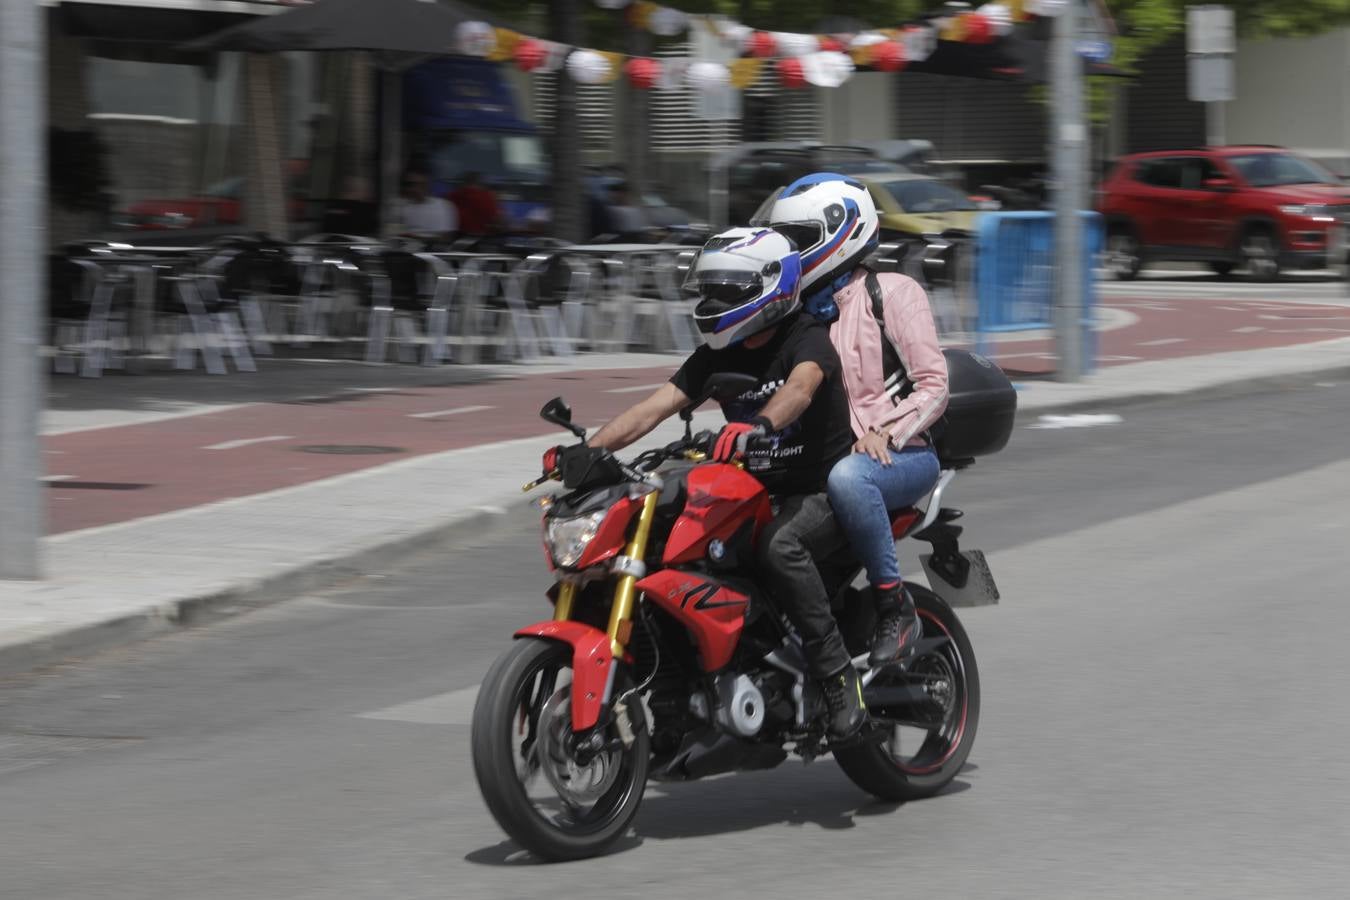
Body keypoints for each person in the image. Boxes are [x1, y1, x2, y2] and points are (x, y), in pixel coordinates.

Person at [559, 226, 867, 738]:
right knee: (669, 539)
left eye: (727, 290)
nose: (712, 301)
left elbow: (801, 387)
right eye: (709, 289)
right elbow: (652, 409)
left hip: (821, 490)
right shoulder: (719, 354)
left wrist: (759, 425)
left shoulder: (807, 335)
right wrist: (589, 453)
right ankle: (677, 685)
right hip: (755, 490)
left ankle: (837, 674)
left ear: (770, 286)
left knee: (779, 545)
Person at [762, 173, 949, 666]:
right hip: (824, 459)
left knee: (849, 476)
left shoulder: (892, 293)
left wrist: (886, 431)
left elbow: (934, 386)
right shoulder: (800, 315)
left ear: (841, 231)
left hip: (903, 455)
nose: (792, 254)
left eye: (799, 240)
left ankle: (893, 604)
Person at [391, 169, 456, 238]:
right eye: (411, 184)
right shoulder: (399, 206)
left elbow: (446, 237)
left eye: (421, 184)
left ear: (427, 185)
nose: (416, 188)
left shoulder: (443, 206)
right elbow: (393, 232)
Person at [449, 171, 501, 236]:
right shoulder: (486, 197)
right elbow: (497, 222)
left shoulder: (450, 196)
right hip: (479, 239)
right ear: (480, 183)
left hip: (453, 238)